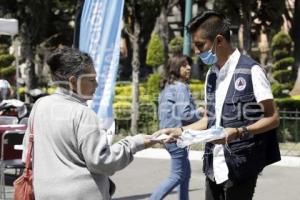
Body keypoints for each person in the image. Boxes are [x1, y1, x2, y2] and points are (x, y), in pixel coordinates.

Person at [158, 10, 281, 200]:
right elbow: (209, 119)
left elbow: (272, 118)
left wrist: (239, 132)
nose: (197, 52)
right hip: (213, 166)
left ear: (219, 41)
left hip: (241, 166)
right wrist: (180, 130)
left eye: (200, 45)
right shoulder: (212, 74)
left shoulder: (251, 71)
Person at [22, 46, 158, 200]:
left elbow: (28, 152)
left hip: (43, 194)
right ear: (73, 81)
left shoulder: (40, 105)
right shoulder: (83, 113)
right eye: (92, 79)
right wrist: (135, 143)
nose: (97, 85)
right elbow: (102, 162)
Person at [150, 55, 201, 200]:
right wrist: (201, 112)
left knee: (185, 174)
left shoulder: (168, 86)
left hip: (168, 135)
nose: (189, 67)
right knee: (177, 175)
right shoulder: (180, 87)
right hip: (176, 137)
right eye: (184, 65)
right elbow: (185, 114)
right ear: (176, 69)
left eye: (188, 65)